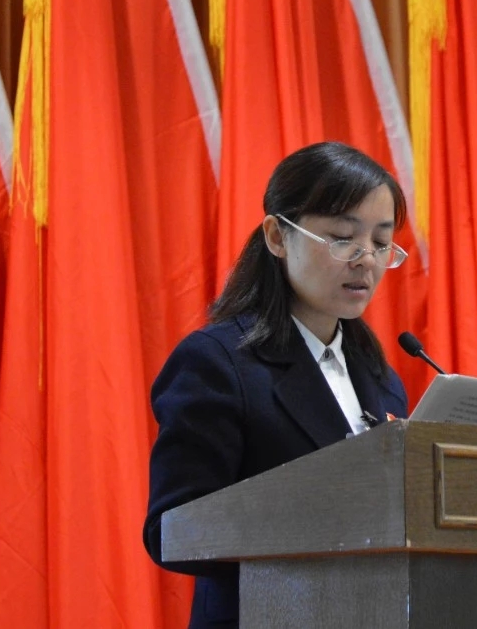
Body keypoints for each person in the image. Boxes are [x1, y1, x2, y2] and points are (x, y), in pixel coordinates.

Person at [143, 142, 411, 627]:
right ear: (277, 236)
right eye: (343, 238)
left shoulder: (380, 379)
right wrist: (322, 517)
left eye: (380, 242)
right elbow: (171, 530)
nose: (366, 260)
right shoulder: (218, 363)